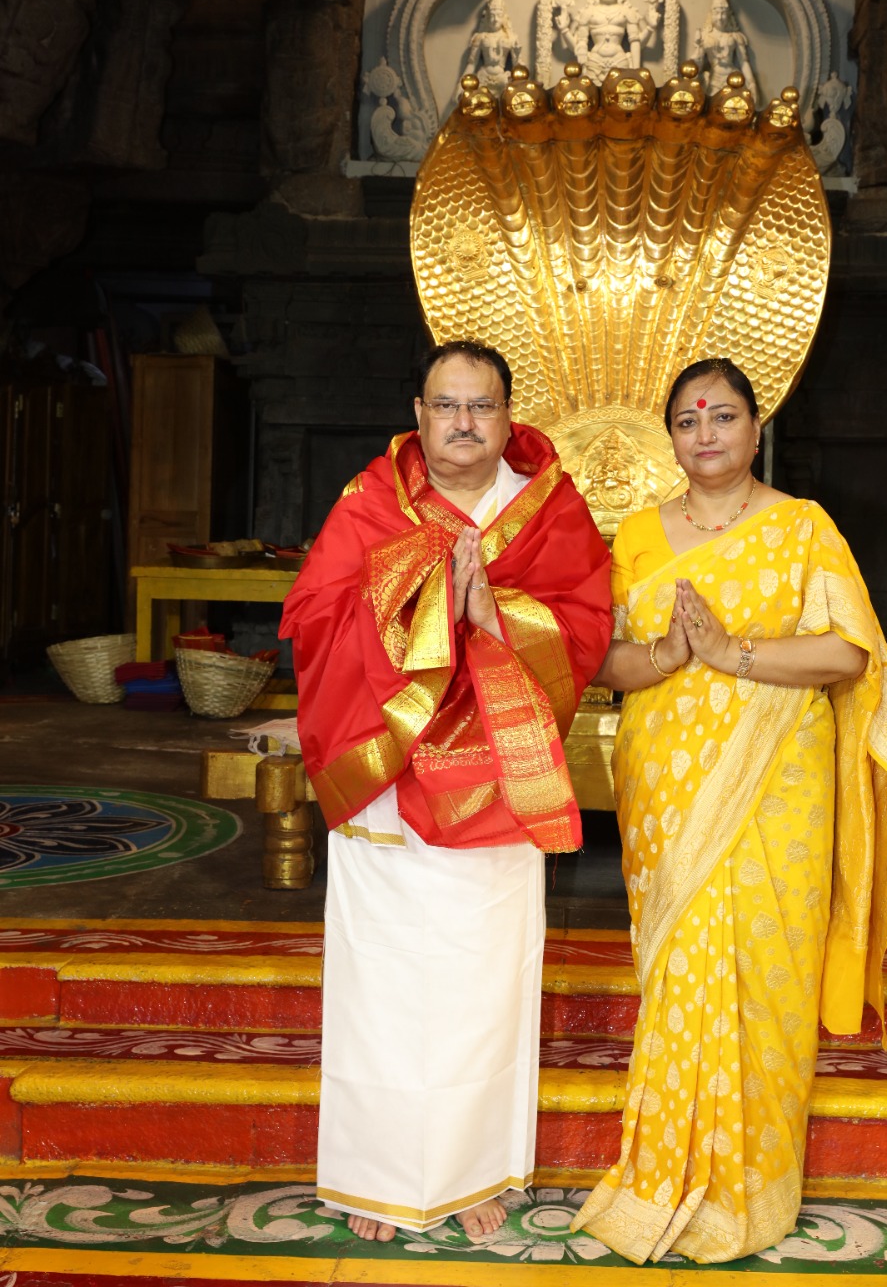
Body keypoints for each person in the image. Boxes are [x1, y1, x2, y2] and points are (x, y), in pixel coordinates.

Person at [572, 357, 887, 1265]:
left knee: (766, 972)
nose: (706, 431)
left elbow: (849, 655)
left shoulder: (803, 529)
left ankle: (751, 1192)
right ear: (672, 437)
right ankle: (662, 1177)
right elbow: (604, 663)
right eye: (688, 418)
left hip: (778, 789)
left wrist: (734, 653)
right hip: (666, 786)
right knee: (684, 969)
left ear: (756, 429)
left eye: (724, 414)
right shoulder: (638, 535)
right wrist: (673, 650)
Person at [280, 340, 612, 1244]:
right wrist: (418, 601)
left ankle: (471, 1176)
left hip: (493, 781)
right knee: (380, 983)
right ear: (418, 414)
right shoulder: (373, 501)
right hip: (390, 775)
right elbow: (311, 618)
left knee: (485, 981)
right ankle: (375, 1177)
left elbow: (586, 624)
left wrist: (493, 616)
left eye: (482, 406)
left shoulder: (545, 507)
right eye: (446, 405)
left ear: (508, 416)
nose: (464, 423)